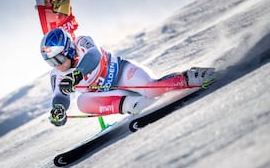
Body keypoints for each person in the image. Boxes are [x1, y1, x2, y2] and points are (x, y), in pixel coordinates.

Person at [40, 28, 215, 126]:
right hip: (108, 93)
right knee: (82, 103)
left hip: (122, 72)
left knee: (153, 89)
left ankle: (193, 77)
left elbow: (94, 56)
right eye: (51, 62)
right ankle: (137, 105)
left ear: (68, 50)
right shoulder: (57, 74)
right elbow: (59, 96)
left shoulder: (81, 42)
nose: (56, 65)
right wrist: (58, 110)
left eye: (59, 59)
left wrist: (77, 75)